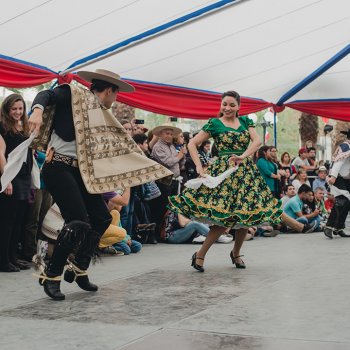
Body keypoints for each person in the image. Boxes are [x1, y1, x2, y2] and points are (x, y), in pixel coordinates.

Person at [28, 69, 171, 300]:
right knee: (77, 221)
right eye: (116, 95)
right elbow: (47, 95)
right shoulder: (74, 93)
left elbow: (122, 147)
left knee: (102, 218)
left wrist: (154, 171)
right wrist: (36, 112)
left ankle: (80, 268)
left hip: (81, 173)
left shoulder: (102, 116)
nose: (115, 100)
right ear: (108, 90)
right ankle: (51, 273)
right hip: (59, 168)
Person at [168, 91, 313, 272]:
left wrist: (243, 156)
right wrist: (199, 166)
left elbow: (257, 141)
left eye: (231, 105)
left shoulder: (245, 121)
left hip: (245, 173)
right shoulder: (215, 124)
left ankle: (236, 253)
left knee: (246, 215)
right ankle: (200, 254)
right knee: (223, 219)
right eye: (224, 104)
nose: (227, 108)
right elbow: (191, 144)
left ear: (238, 107)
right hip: (224, 174)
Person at [0, 94, 33, 272]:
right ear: (7, 109)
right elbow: (0, 153)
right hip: (10, 177)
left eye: (20, 108)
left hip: (25, 176)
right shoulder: (2, 127)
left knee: (19, 220)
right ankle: (3, 261)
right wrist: (7, 179)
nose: (18, 112)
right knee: (7, 221)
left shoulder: (24, 127)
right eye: (14, 109)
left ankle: (13, 257)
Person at [324, 129, 350, 239]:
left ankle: (338, 227)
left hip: (346, 179)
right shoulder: (346, 146)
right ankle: (329, 226)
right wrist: (333, 176)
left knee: (347, 202)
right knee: (343, 201)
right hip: (338, 178)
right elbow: (338, 162)